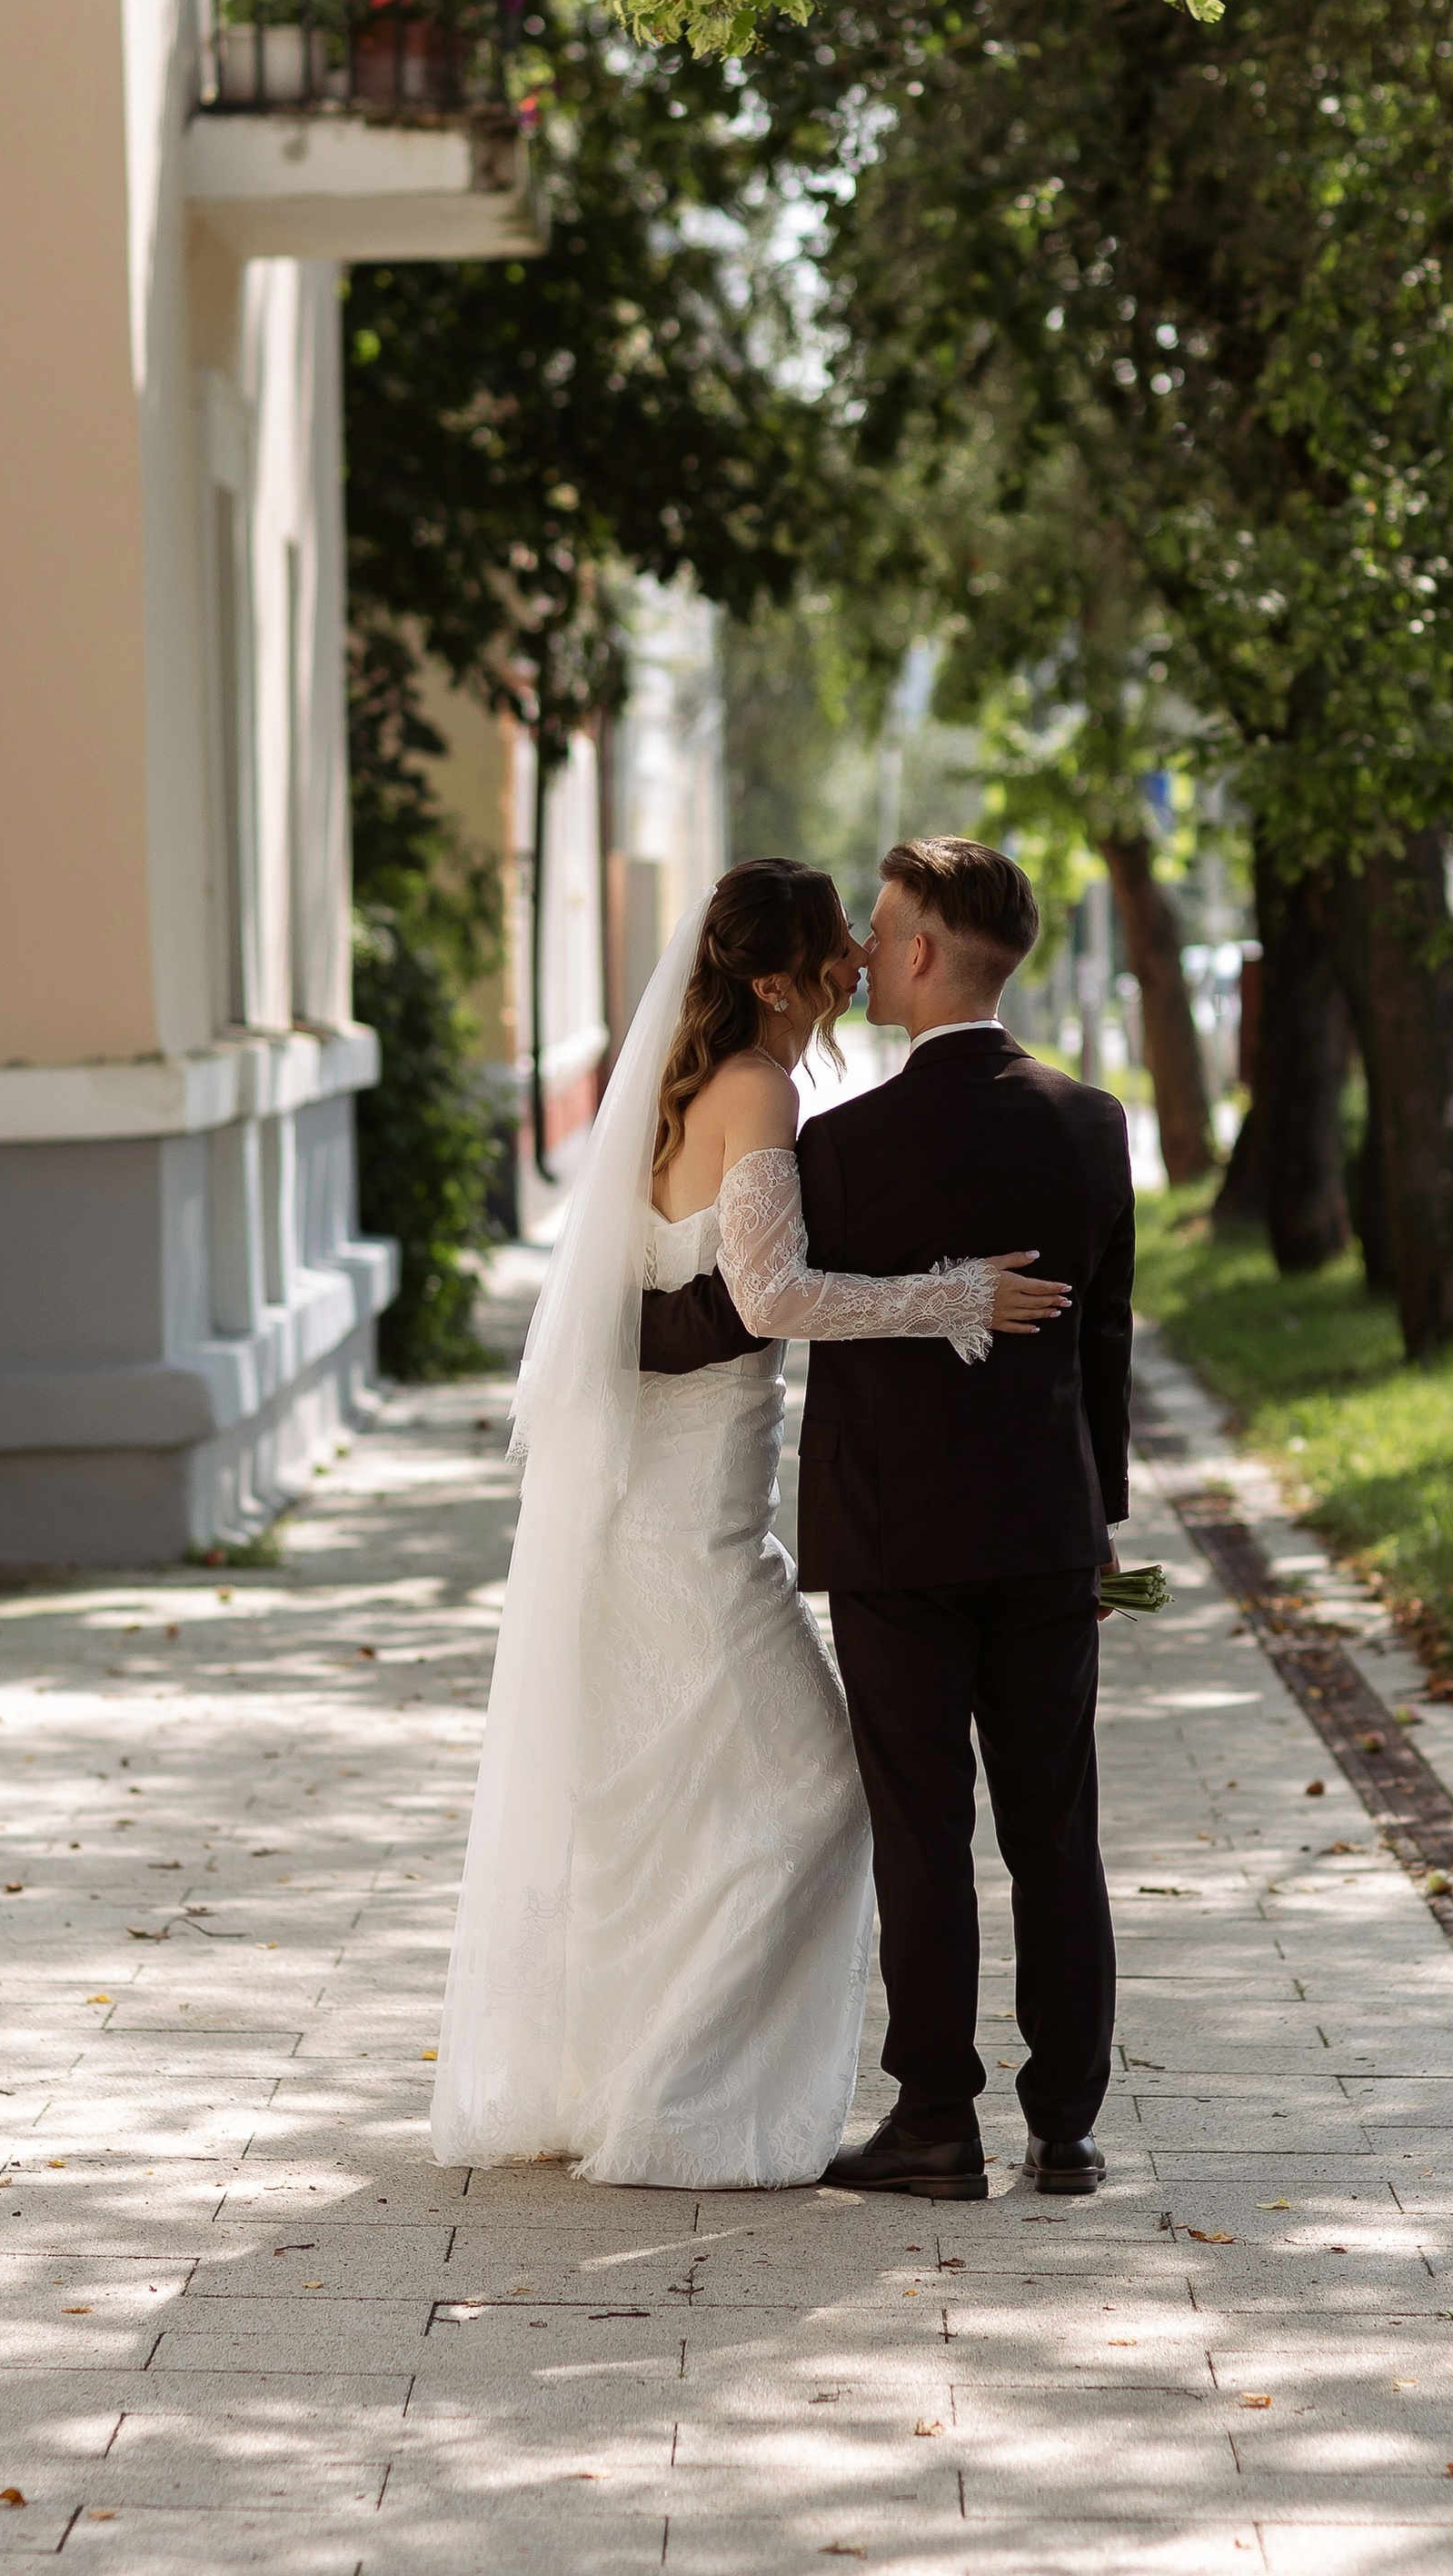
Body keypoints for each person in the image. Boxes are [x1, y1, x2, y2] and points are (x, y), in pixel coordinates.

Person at [429, 857, 1067, 2190]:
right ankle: (676, 2097)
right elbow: (769, 1299)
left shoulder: (684, 1091)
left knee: (687, 1810)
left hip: (664, 1514)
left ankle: (649, 2073)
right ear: (774, 980)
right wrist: (945, 1296)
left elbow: (680, 1302)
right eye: (838, 941)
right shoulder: (761, 1090)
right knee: (821, 1795)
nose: (857, 956)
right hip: (693, 1535)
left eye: (865, 933)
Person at [640, 836, 1136, 2202]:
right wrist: (1103, 1527)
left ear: (919, 953)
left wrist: (602, 1344)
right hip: (1045, 1534)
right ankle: (1068, 2124)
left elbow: (754, 1300)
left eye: (881, 927)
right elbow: (1108, 1344)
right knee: (1056, 1827)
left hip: (893, 1540)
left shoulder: (843, 1142)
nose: (862, 950)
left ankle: (934, 2120)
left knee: (923, 1828)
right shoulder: (1092, 1124)